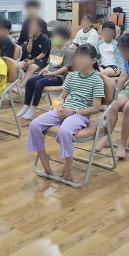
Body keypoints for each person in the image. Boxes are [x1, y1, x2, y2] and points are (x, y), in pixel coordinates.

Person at [27, 44, 105, 182]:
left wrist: (72, 111)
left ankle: (69, 165)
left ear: (93, 60)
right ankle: (43, 157)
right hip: (64, 111)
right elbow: (62, 96)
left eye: (83, 58)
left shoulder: (97, 81)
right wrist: (60, 105)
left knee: (64, 131)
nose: (79, 60)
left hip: (79, 115)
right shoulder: (72, 76)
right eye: (78, 58)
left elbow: (95, 108)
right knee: (34, 124)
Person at [18, 25, 72, 120]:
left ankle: (33, 107)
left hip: (58, 77)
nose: (54, 39)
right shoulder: (53, 50)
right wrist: (46, 69)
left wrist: (52, 73)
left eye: (57, 37)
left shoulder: (67, 52)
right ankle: (26, 106)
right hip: (48, 74)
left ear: (64, 39)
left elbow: (65, 68)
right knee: (30, 81)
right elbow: (49, 64)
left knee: (39, 83)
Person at [18, 18, 51, 88]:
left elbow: (43, 54)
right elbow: (29, 51)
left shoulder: (44, 38)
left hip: (44, 59)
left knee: (31, 67)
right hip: (32, 57)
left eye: (34, 26)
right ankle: (22, 85)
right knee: (18, 66)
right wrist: (30, 39)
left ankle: (20, 87)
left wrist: (32, 61)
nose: (31, 28)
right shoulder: (30, 36)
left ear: (40, 28)